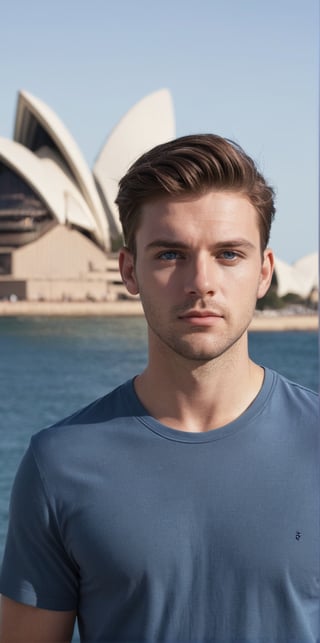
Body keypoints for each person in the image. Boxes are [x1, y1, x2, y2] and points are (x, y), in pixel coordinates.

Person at [0, 134, 318, 643]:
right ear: (130, 271)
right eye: (171, 254)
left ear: (264, 272)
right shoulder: (57, 464)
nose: (201, 282)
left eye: (229, 254)